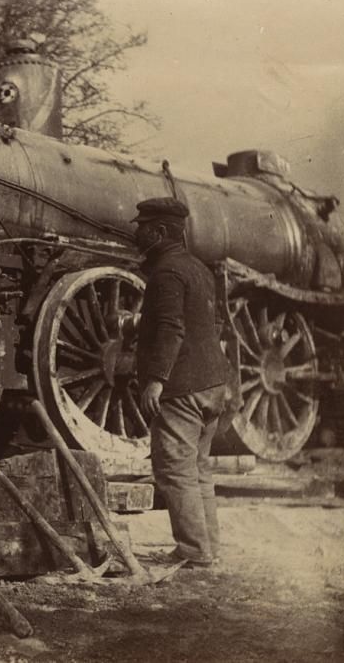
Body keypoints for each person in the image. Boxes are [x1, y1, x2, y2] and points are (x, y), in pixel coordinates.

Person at [132, 197, 231, 568]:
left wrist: (156, 380)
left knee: (175, 467)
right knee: (199, 469)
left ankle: (192, 550)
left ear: (158, 233)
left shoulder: (166, 273)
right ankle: (208, 547)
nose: (136, 232)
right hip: (213, 382)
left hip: (182, 385)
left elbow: (172, 327)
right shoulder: (199, 269)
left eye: (142, 227)